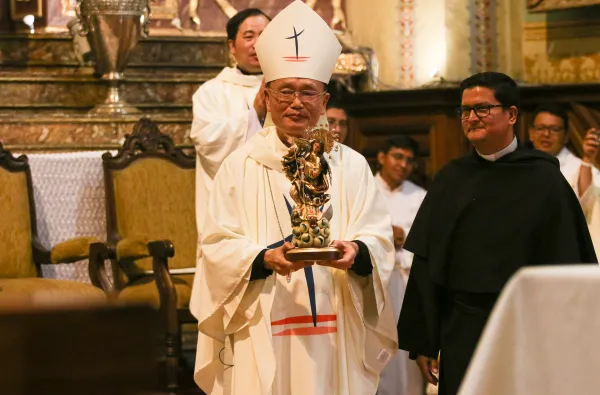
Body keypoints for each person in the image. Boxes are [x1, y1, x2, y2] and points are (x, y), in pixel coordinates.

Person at [192, 1, 398, 394]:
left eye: (308, 92)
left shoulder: (351, 166)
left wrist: (358, 252)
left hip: (338, 323)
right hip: (262, 322)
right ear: (266, 97)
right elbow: (216, 246)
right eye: (285, 91)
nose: (296, 102)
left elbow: (379, 238)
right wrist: (262, 258)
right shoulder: (239, 166)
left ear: (324, 101)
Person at [397, 72, 597, 395]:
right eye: (465, 110)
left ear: (512, 115)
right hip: (462, 328)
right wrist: (423, 340)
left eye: (482, 109)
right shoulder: (451, 179)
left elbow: (570, 260)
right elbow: (426, 262)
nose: (471, 118)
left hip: (528, 327)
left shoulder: (544, 180)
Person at [189, 8, 270, 242]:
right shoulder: (211, 93)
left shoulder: (289, 89)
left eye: (264, 37)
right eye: (249, 36)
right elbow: (209, 144)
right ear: (232, 46)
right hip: (231, 210)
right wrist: (254, 114)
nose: (257, 44)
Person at [375, 136, 426, 395]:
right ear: (382, 157)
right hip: (374, 285)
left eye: (409, 160)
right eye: (397, 157)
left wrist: (404, 235)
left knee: (406, 356)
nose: (403, 164)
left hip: (407, 282)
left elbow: (428, 240)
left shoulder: (420, 196)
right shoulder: (365, 189)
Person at [528, 104, 600, 256]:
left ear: (566, 136)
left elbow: (586, 204)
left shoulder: (581, 168)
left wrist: (587, 159)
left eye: (554, 129)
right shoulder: (519, 165)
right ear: (531, 133)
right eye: (540, 128)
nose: (546, 134)